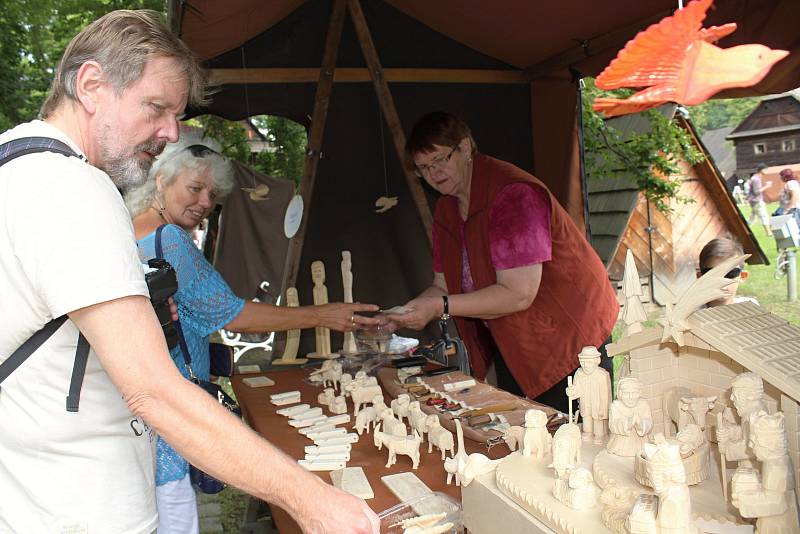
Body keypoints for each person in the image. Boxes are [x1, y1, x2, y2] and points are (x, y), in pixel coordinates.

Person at [0, 10, 379, 534]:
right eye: (156, 108)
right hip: (83, 508)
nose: (170, 132)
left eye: (176, 114)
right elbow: (153, 390)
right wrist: (310, 499)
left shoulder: (13, 168)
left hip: (31, 497)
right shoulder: (75, 190)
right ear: (90, 84)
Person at [125, 137, 379, 533]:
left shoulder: (126, 230)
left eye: (212, 194)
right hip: (171, 411)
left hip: (136, 413)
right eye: (195, 188)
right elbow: (232, 313)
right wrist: (322, 315)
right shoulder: (170, 241)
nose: (205, 201)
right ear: (160, 180)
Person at [390, 112, 619, 413]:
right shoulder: (448, 209)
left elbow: (519, 293)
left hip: (569, 341)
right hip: (516, 342)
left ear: (465, 147)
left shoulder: (513, 195)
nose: (434, 173)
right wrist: (404, 313)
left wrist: (440, 307)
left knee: (573, 440)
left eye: (440, 160)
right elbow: (441, 285)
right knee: (524, 436)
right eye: (423, 168)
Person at [697, 237, 758, 307]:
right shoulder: (688, 314)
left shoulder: (751, 307)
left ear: (743, 276)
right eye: (712, 274)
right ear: (700, 277)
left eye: (730, 274)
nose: (721, 282)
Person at [746, 163, 772, 236]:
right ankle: (769, 232)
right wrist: (767, 186)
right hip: (756, 200)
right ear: (761, 170)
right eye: (766, 170)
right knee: (764, 215)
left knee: (752, 218)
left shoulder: (755, 178)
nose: (767, 171)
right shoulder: (756, 179)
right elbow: (756, 191)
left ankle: (743, 228)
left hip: (754, 201)